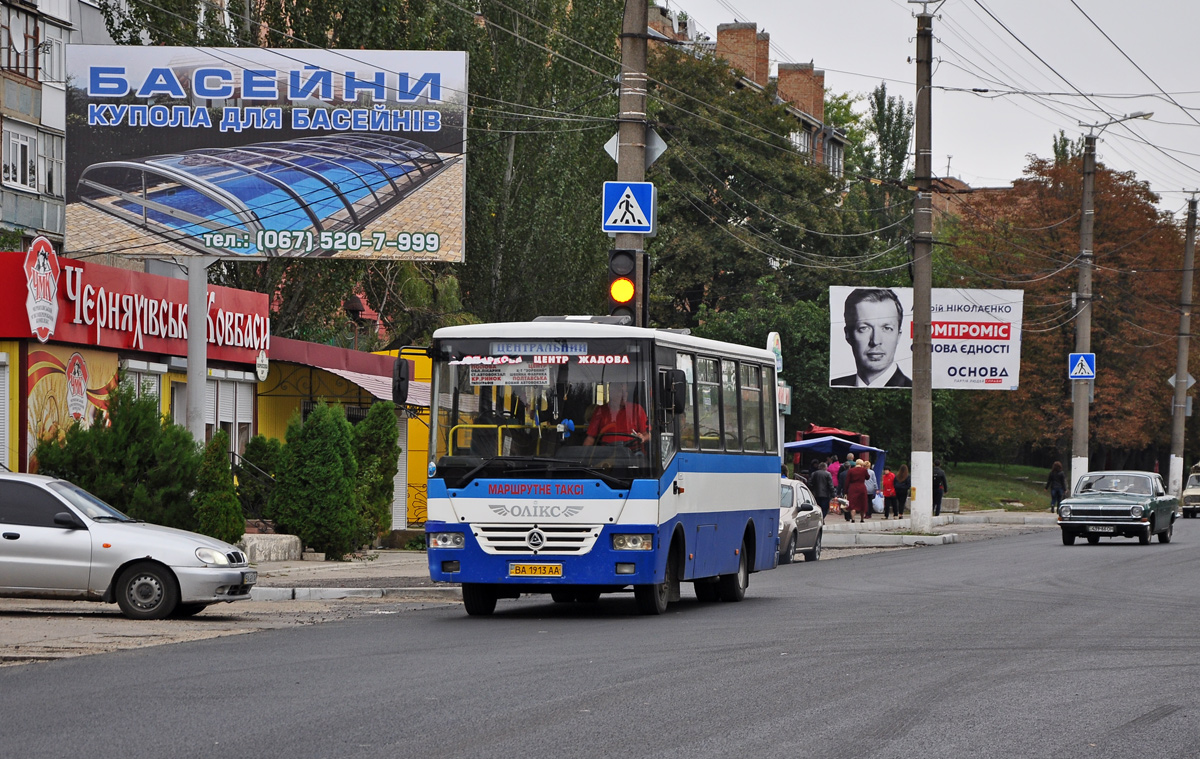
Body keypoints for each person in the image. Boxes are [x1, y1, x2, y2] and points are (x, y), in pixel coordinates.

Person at [832, 288, 912, 387]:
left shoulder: (914, 389)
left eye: (887, 328)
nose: (875, 341)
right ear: (848, 334)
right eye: (864, 328)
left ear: (898, 335)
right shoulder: (836, 385)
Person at [584, 382, 648, 451]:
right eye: (620, 391)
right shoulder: (600, 411)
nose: (624, 395)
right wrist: (584, 456)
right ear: (611, 393)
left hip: (633, 455)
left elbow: (648, 434)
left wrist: (643, 437)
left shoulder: (637, 409)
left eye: (625, 391)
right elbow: (591, 438)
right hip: (606, 455)